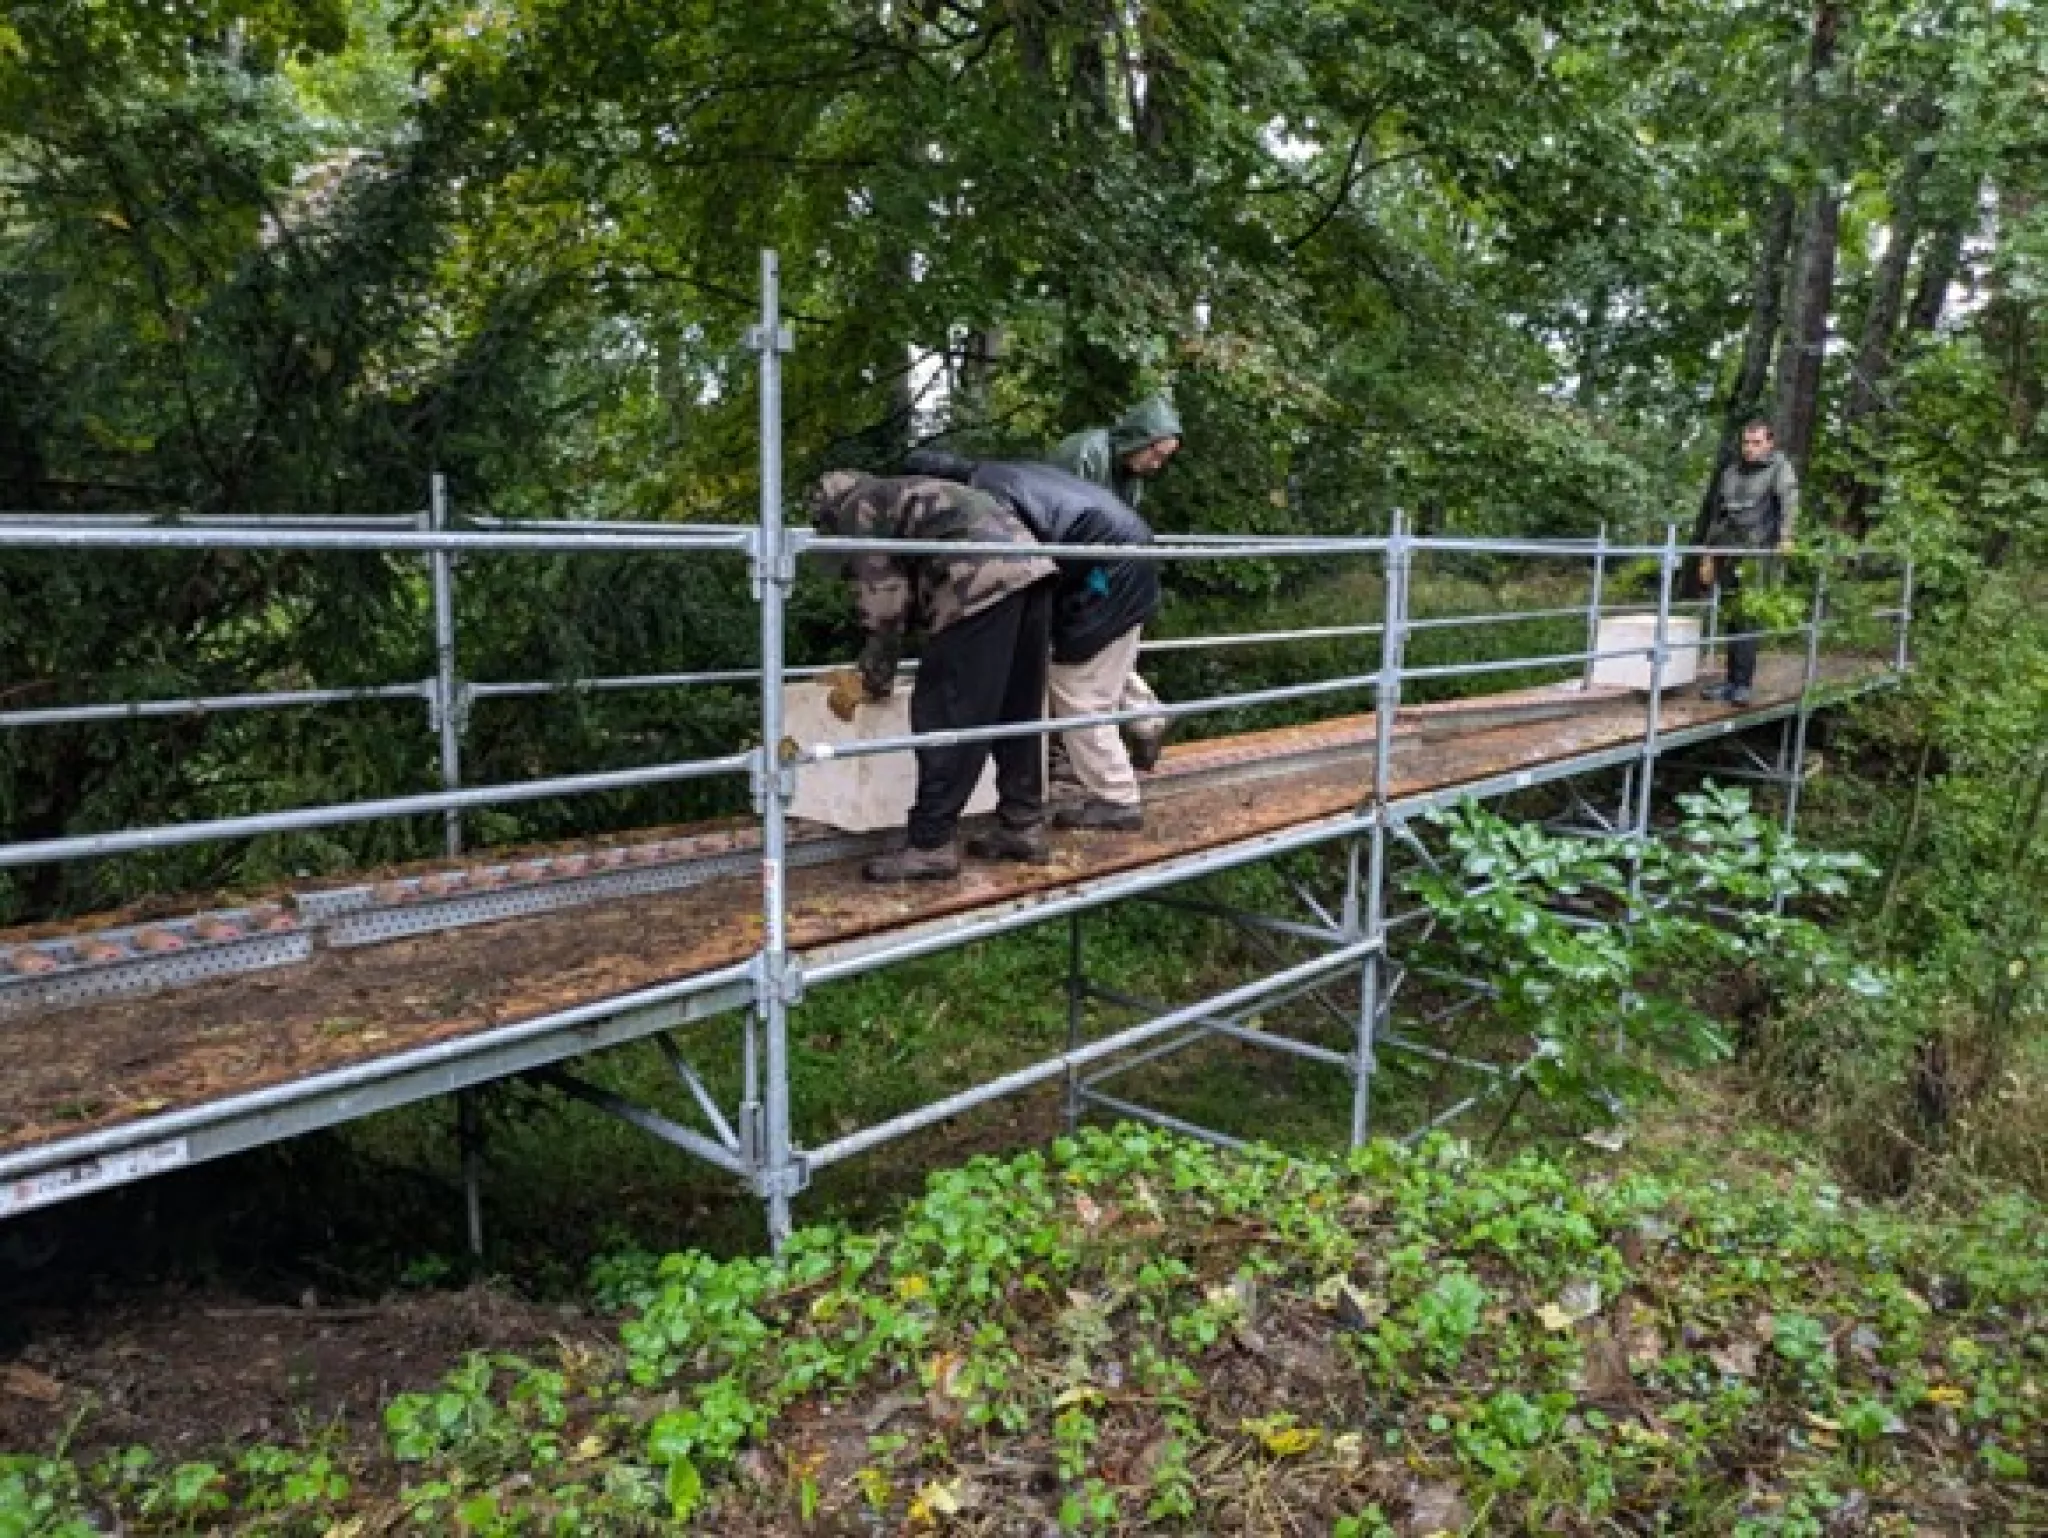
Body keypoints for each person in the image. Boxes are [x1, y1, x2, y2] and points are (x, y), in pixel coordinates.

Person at [807, 471, 1058, 882]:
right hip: (1031, 570)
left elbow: (885, 605)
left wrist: (874, 678)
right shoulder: (901, 490)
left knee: (946, 710)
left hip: (976, 580)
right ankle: (1023, 824)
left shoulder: (858, 509)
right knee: (1016, 707)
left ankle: (931, 844)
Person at [901, 453, 1161, 830]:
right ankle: (1145, 724)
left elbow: (1007, 578)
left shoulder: (984, 501)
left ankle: (1117, 798)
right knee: (1096, 672)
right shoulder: (1001, 472)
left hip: (1107, 577)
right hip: (1121, 562)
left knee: (1079, 692)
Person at [1049, 395, 1182, 770]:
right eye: (1155, 455)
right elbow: (1065, 518)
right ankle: (1146, 718)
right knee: (1085, 658)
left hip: (1100, 572)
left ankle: (1130, 732)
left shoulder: (1128, 473)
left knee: (1082, 661)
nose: (1156, 466)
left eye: (1163, 459)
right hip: (1073, 566)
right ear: (1139, 439)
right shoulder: (1085, 454)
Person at [1699, 419, 1799, 707]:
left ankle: (1742, 683)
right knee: (1732, 615)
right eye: (1746, 442)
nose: (1750, 449)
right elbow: (1718, 516)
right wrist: (1707, 555)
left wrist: (1787, 537)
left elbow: (1789, 502)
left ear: (1769, 443)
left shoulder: (1779, 469)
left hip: (1758, 553)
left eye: (1757, 443)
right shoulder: (1730, 473)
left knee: (1748, 618)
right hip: (1728, 552)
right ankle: (1731, 681)